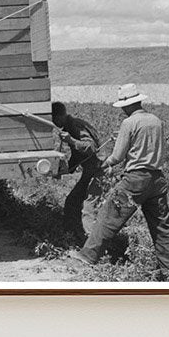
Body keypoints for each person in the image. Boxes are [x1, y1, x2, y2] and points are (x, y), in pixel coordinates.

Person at [72, 83, 169, 279]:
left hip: (135, 179)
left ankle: (88, 256)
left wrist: (105, 164)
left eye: (123, 106)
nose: (122, 109)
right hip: (157, 178)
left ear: (128, 104)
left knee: (109, 215)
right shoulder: (156, 120)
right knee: (162, 225)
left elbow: (118, 156)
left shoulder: (129, 123)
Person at [51, 101, 103, 243]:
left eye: (54, 120)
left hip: (98, 170)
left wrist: (71, 140)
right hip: (91, 170)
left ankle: (92, 245)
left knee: (89, 208)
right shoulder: (69, 125)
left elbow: (91, 148)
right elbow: (77, 155)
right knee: (73, 202)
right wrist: (66, 170)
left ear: (58, 117)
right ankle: (74, 237)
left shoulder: (75, 125)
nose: (55, 124)